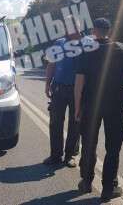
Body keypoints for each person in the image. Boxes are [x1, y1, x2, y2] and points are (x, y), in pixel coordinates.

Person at [74, 18, 123, 201]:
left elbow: (79, 84)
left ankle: (86, 182)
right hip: (114, 105)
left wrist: (77, 108)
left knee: (89, 144)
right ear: (109, 31)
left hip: (91, 105)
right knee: (113, 147)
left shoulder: (85, 52)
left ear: (94, 31)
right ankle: (108, 189)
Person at [43, 30, 81, 168]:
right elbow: (51, 64)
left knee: (75, 123)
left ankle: (70, 155)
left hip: (78, 90)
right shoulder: (58, 43)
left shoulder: (85, 44)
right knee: (55, 122)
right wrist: (47, 83)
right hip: (59, 88)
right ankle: (55, 155)